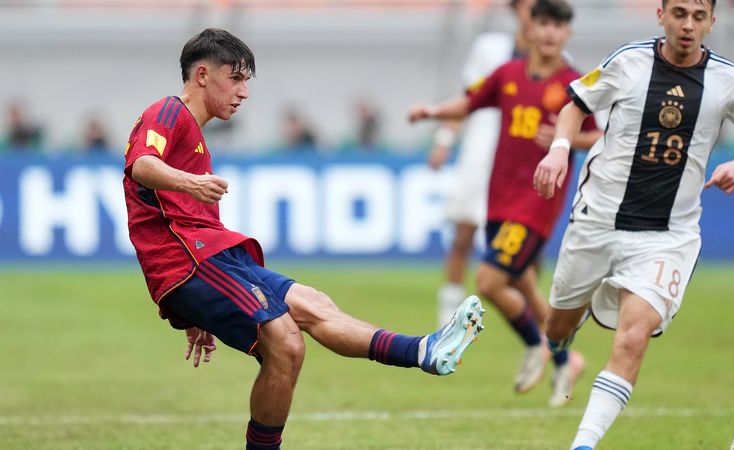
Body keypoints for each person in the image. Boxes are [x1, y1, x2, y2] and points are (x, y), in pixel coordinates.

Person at [122, 28, 485, 450]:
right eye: (235, 78)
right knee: (286, 344)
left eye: (246, 81)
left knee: (314, 304)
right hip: (190, 263)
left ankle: (422, 350)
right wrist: (191, 183)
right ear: (202, 74)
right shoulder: (169, 111)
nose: (244, 92)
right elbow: (141, 164)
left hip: (213, 258)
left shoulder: (193, 131)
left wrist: (198, 313)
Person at [532, 0, 734, 448]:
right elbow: (575, 104)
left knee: (633, 338)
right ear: (661, 15)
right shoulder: (627, 62)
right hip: (598, 220)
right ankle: (561, 343)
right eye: (680, 13)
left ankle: (583, 444)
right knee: (556, 327)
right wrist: (558, 148)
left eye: (698, 16)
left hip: (668, 235)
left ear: (712, 22)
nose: (688, 25)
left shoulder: (728, 81)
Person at [410, 0, 601, 407]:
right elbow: (470, 102)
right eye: (543, 23)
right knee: (522, 284)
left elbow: (599, 135)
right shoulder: (507, 74)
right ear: (529, 28)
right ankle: (566, 360)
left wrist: (565, 140)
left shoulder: (576, 84)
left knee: (489, 282)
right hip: (499, 198)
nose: (549, 33)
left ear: (567, 33)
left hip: (536, 203)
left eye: (558, 26)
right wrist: (432, 112)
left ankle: (537, 344)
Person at [429, 0, 534, 328]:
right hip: (482, 152)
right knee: (463, 232)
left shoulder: (560, 64)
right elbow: (467, 99)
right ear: (515, 10)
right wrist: (445, 140)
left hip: (523, 164)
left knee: (522, 246)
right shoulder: (490, 48)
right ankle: (449, 312)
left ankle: (531, 318)